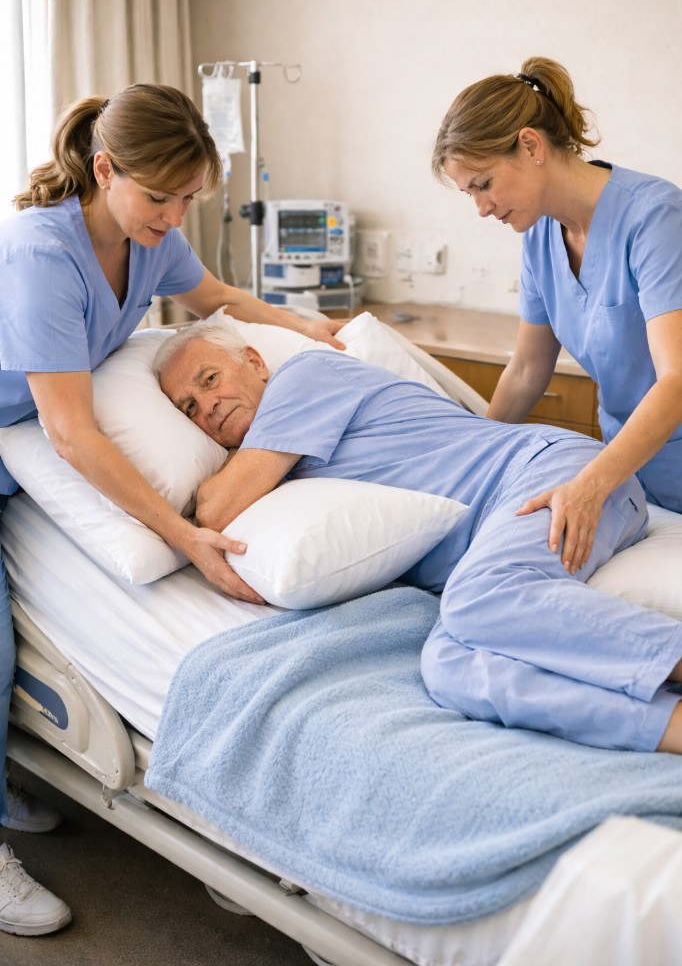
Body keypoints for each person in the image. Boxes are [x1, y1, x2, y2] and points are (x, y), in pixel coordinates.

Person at [0, 82, 344, 935]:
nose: (174, 214)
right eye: (161, 197)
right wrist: (185, 534)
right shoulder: (41, 255)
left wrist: (306, 330)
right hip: (35, 430)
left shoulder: (148, 239)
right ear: (104, 171)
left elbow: (224, 299)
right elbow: (72, 433)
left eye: (189, 197)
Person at [153, 321, 682, 756]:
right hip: (496, 534)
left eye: (209, 379)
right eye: (188, 409)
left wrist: (219, 480)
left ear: (254, 361)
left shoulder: (306, 376)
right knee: (451, 668)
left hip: (556, 475)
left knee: (479, 599)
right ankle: (671, 728)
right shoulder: (279, 472)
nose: (207, 405)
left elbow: (216, 509)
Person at [431, 56, 682, 579]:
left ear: (530, 146)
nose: (481, 208)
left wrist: (591, 484)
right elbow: (527, 370)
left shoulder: (655, 218)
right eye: (470, 193)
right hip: (630, 475)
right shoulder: (541, 235)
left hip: (636, 468)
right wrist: (474, 467)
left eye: (483, 183)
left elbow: (676, 379)